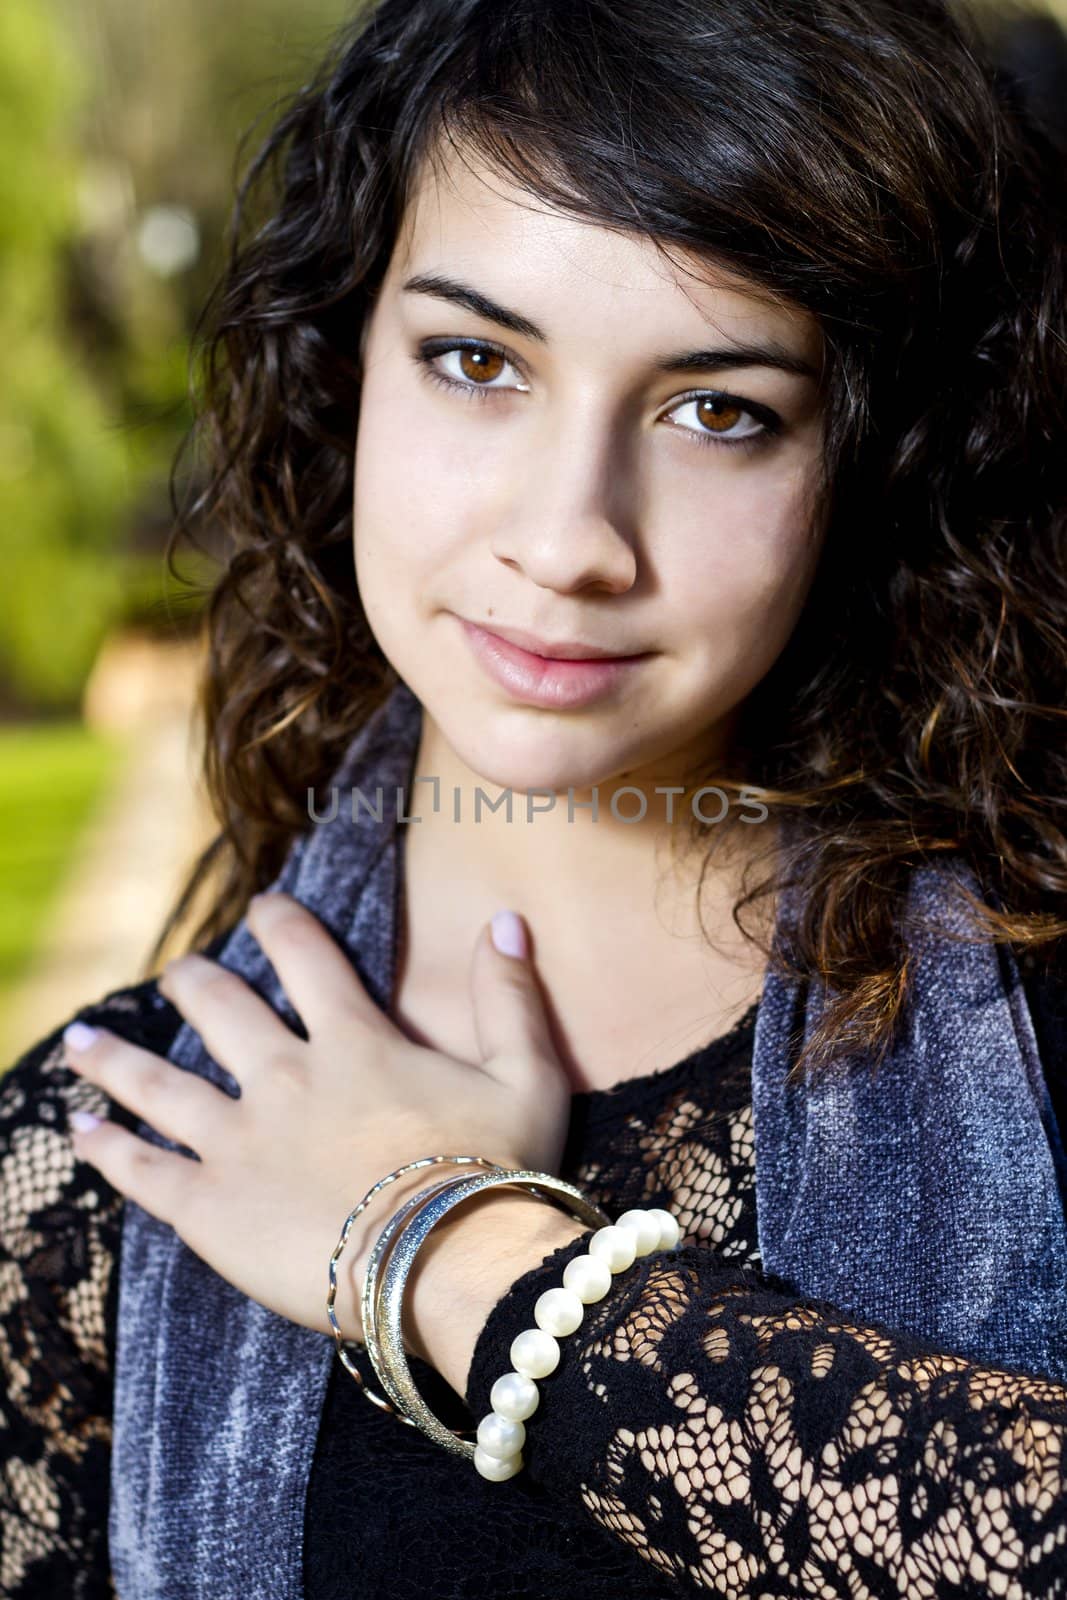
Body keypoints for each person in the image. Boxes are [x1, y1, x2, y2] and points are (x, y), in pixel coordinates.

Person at [3, 0, 1067, 1594]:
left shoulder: (1046, 1027)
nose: (573, 537)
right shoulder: (109, 1164)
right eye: (476, 360)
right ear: (347, 364)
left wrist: (454, 1257)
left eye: (720, 410)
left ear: (865, 457)